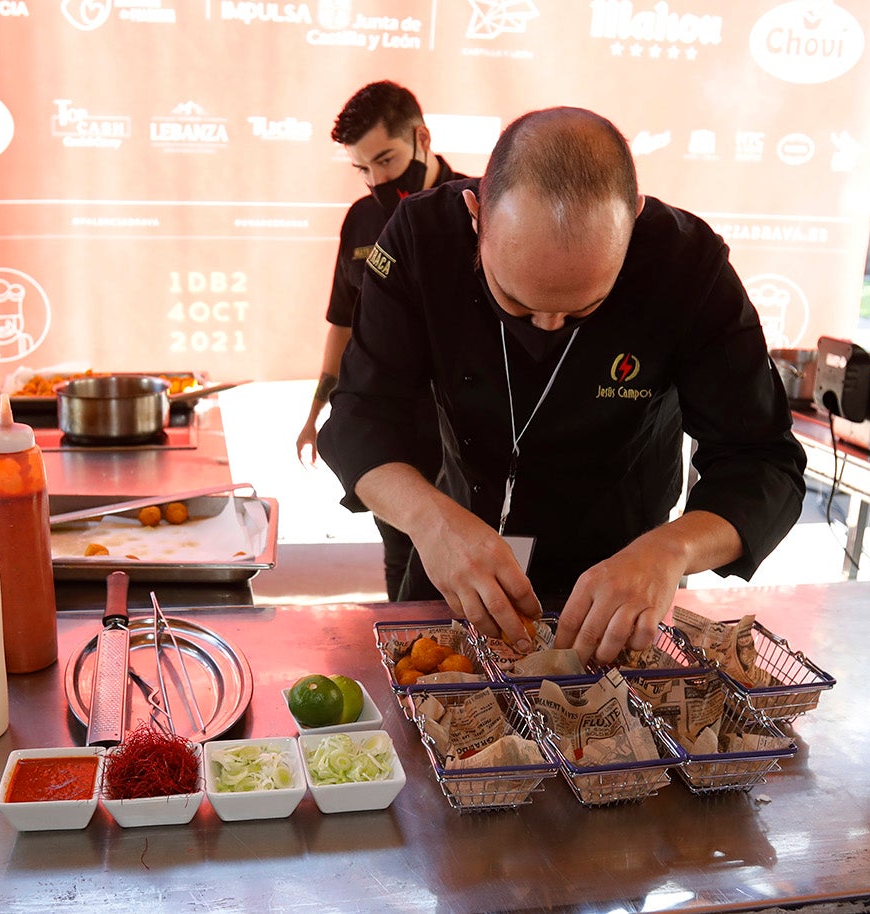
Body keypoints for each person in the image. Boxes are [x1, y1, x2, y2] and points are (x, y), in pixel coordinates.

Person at [318, 107, 806, 663]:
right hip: (459, 550)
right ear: (477, 216)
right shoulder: (421, 241)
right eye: (517, 303)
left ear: (634, 222)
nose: (547, 328)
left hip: (620, 575)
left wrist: (671, 551)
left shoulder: (686, 265)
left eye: (584, 309)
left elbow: (764, 461)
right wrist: (428, 520)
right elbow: (361, 416)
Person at [297, 81, 466, 600]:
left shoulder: (479, 205)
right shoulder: (361, 219)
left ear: (422, 137)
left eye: (386, 161)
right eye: (362, 168)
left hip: (467, 425)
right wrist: (315, 412)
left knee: (467, 557)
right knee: (400, 554)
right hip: (393, 418)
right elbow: (342, 324)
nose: (376, 179)